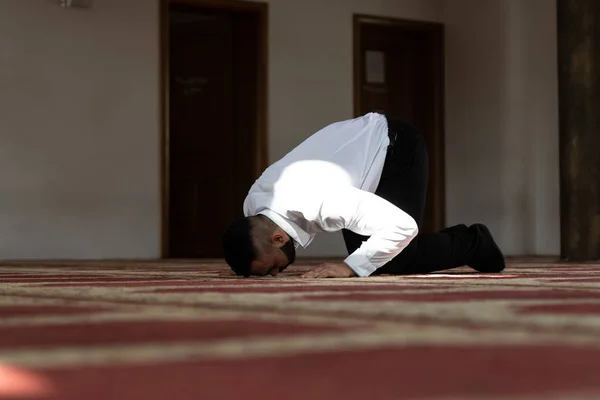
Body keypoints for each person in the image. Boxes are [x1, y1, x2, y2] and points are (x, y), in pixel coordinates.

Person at [222, 112, 505, 278]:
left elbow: (402, 226)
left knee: (393, 258)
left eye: (270, 268)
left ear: (278, 238)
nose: (274, 274)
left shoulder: (321, 202)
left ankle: (474, 242)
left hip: (396, 148)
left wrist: (348, 267)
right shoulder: (255, 206)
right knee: (371, 255)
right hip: (359, 158)